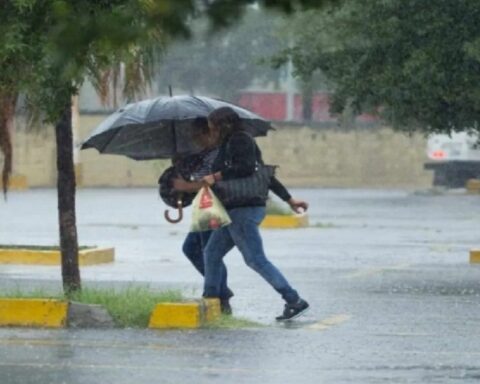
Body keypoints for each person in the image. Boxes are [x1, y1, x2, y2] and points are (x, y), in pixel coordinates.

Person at [172, 115, 308, 317]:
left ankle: (293, 299)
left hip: (244, 210)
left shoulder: (240, 140)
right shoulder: (229, 144)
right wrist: (289, 200)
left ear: (223, 124)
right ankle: (211, 300)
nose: (212, 131)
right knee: (211, 253)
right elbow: (263, 174)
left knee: (255, 259)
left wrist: (215, 176)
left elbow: (246, 168)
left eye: (213, 127)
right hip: (234, 210)